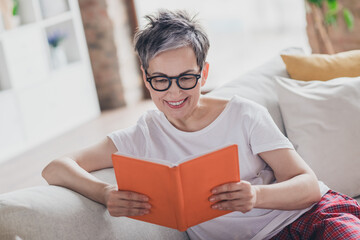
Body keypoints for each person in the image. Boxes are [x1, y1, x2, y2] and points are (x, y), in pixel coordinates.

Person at [42, 9, 360, 240]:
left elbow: (306, 185)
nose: (175, 91)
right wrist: (105, 193)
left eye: (186, 78)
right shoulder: (144, 133)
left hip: (309, 217)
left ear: (204, 74)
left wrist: (255, 196)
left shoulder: (243, 115)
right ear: (146, 79)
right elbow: (56, 167)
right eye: (161, 80)